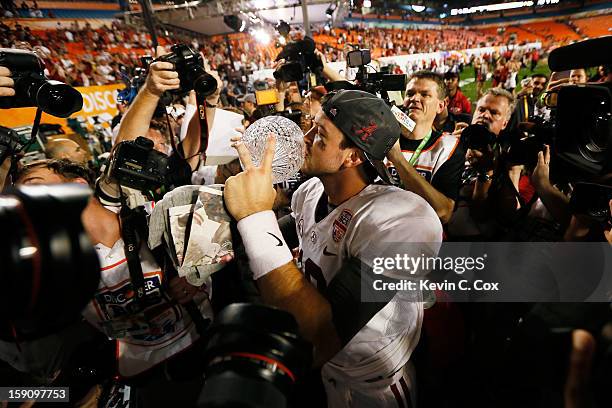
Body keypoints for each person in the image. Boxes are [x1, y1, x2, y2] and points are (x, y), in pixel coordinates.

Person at [224, 90, 443, 407]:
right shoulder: (310, 191)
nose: (305, 138)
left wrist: (256, 216)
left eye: (320, 135)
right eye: (312, 126)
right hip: (326, 375)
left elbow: (321, 337)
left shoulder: (404, 219)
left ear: (353, 156)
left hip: (372, 386)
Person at [14, 159, 214, 407]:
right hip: (144, 379)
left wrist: (200, 269)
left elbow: (243, 219)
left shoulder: (158, 218)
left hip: (209, 353)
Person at [386, 71, 465, 224]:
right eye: (410, 93)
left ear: (441, 105)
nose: (415, 98)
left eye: (425, 94)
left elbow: (444, 212)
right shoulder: (381, 136)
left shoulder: (448, 148)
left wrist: (397, 158)